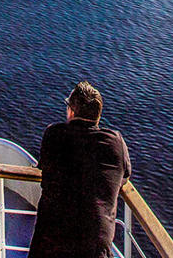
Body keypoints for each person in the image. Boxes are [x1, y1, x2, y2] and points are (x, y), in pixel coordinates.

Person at [28, 81, 131, 258]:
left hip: (49, 244)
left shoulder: (54, 134)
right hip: (93, 250)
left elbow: (44, 166)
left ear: (71, 111)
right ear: (98, 116)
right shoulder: (115, 143)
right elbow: (124, 176)